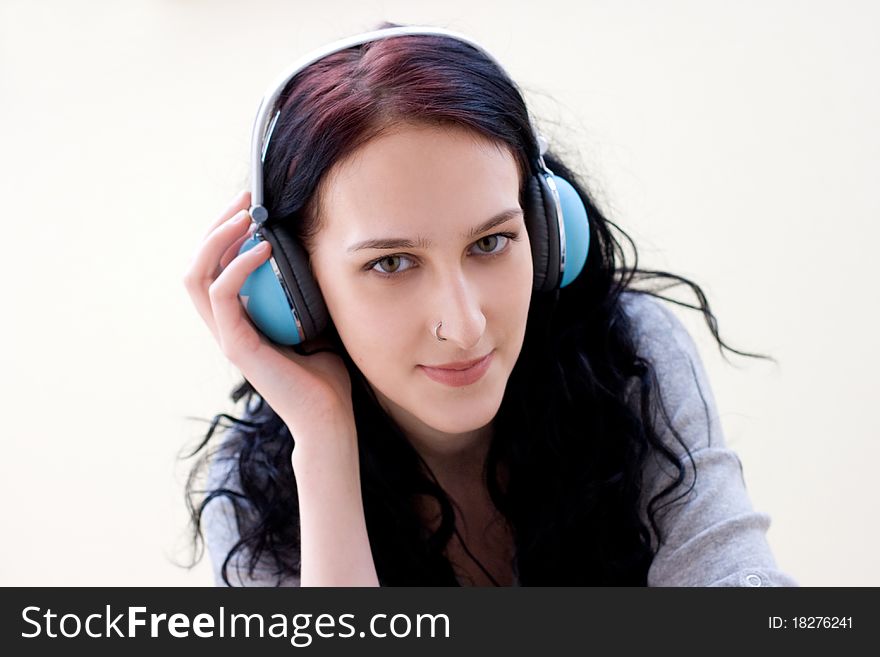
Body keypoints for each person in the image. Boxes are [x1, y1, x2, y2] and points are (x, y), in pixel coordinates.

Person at [182, 23, 797, 587]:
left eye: (491, 242)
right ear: (296, 291)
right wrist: (322, 443)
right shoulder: (255, 490)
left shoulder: (632, 354)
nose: (466, 324)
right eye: (390, 263)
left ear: (547, 232)